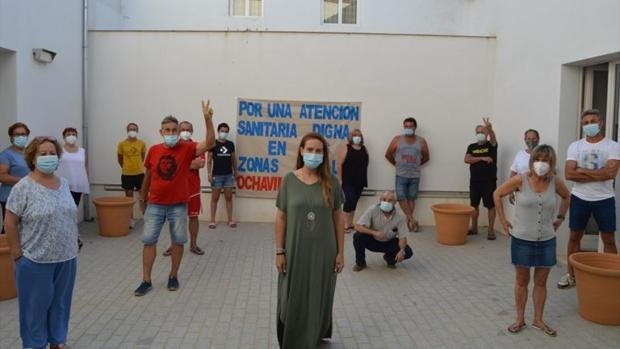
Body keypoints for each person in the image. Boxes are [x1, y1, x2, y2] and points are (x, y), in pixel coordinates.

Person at [134, 100, 215, 297]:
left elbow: (211, 143)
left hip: (178, 205)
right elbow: (148, 175)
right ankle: (146, 280)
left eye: (174, 130)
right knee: (149, 241)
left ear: (178, 132)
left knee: (178, 242)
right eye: (167, 130)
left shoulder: (186, 149)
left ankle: (173, 276)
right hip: (155, 204)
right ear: (161, 132)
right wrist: (143, 197)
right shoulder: (154, 150)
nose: (171, 133)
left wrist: (207, 119)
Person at [4, 136, 78, 349]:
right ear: (33, 159)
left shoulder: (63, 183)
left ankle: (57, 341)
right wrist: (17, 253)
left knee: (60, 304)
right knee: (35, 308)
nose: (48, 157)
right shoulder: (23, 186)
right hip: (35, 259)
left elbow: (67, 214)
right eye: (42, 154)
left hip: (66, 258)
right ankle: (34, 345)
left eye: (52, 153)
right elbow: (9, 221)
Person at [274, 132, 345, 348]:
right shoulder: (289, 180)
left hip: (324, 251)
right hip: (294, 250)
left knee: (319, 294)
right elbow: (281, 217)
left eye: (318, 151)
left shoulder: (331, 182)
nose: (314, 154)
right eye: (310, 150)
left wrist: (341, 252)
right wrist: (280, 251)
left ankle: (315, 335)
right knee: (291, 294)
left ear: (324, 155)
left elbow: (338, 218)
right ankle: (292, 337)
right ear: (302, 151)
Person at [494, 145, 570, 337]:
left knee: (541, 282)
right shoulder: (521, 179)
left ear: (551, 163)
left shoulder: (555, 181)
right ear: (532, 160)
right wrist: (502, 220)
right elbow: (497, 194)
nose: (541, 163)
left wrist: (560, 218)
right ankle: (520, 319)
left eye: (545, 160)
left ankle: (538, 320)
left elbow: (567, 196)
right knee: (521, 281)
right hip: (522, 239)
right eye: (538, 159)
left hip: (547, 240)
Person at [557, 109, 620, 289]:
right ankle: (571, 275)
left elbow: (611, 173)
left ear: (601, 123)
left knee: (608, 239)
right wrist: (599, 174)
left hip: (605, 198)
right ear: (582, 125)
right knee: (575, 237)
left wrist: (582, 171)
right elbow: (569, 173)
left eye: (593, 121)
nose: (589, 125)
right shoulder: (575, 146)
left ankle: (612, 278)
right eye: (586, 122)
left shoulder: (612, 146)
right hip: (580, 197)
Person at [163, 121, 206, 256]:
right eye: (182, 129)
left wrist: (180, 162)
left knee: (193, 217)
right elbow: (170, 164)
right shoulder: (173, 146)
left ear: (192, 131)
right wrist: (188, 162)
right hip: (176, 189)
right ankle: (172, 245)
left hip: (193, 189)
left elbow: (200, 163)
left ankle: (193, 244)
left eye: (188, 129)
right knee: (175, 218)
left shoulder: (197, 146)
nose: (185, 132)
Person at [385, 117, 430, 232]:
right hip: (401, 174)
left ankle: (407, 223)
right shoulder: (397, 139)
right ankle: (412, 220)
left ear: (415, 127)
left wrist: (417, 164)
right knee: (401, 198)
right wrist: (396, 164)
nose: (408, 128)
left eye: (410, 126)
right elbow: (388, 154)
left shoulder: (421, 141)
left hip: (415, 175)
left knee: (411, 199)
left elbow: (426, 157)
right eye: (406, 126)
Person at [352, 191, 413, 271]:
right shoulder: (372, 209)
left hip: (389, 242)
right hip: (373, 241)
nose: (386, 202)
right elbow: (357, 226)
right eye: (384, 199)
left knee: (408, 252)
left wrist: (401, 251)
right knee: (357, 236)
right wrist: (374, 232)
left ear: (395, 203)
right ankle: (360, 263)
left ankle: (389, 259)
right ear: (380, 201)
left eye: (390, 200)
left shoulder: (400, 215)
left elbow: (402, 237)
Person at [464, 117, 498, 240]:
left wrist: (490, 129)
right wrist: (482, 158)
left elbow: (494, 139)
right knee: (474, 205)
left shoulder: (491, 145)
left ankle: (490, 230)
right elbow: (467, 159)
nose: (480, 134)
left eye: (483, 132)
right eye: (478, 132)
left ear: (487, 134)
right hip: (474, 181)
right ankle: (474, 228)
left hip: (489, 181)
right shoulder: (471, 146)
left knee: (490, 206)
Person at [56, 127, 90, 250]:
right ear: (64, 137)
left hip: (78, 184)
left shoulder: (81, 151)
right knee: (63, 210)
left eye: (73, 134)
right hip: (63, 185)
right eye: (68, 134)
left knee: (72, 210)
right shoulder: (60, 150)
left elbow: (84, 166)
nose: (71, 136)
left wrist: (86, 181)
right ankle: (63, 236)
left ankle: (73, 235)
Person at [0, 122, 31, 233]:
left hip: (28, 197)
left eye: (23, 134)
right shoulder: (6, 154)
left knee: (26, 229)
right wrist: (25, 181)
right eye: (17, 134)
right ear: (11, 137)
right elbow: (2, 176)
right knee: (9, 228)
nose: (21, 137)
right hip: (10, 197)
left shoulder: (30, 153)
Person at [337, 129, 369, 233]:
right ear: (351, 137)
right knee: (349, 200)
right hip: (348, 181)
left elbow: (366, 162)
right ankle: (345, 225)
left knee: (354, 202)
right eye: (355, 135)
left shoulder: (364, 149)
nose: (357, 137)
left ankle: (350, 224)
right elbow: (339, 165)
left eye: (359, 135)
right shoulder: (346, 148)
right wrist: (341, 179)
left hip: (360, 180)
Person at [207, 122, 238, 228]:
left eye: (226, 131)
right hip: (217, 175)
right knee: (214, 198)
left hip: (228, 175)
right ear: (218, 131)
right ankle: (212, 221)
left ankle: (230, 220)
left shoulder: (230, 144)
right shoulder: (213, 144)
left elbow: (233, 159)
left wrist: (236, 172)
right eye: (222, 131)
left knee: (229, 197)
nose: (224, 133)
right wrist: (209, 174)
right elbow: (209, 160)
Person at [117, 122, 146, 229]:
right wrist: (126, 167)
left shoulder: (141, 143)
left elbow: (143, 157)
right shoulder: (122, 144)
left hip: (139, 173)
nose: (132, 131)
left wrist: (137, 166)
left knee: (143, 196)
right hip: (127, 174)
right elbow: (120, 159)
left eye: (134, 129)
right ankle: (131, 219)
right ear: (127, 131)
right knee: (129, 198)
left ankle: (146, 217)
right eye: (130, 129)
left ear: (137, 131)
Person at [508, 129, 540, 204]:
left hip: (539, 194)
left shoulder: (544, 154)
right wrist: (510, 191)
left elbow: (552, 173)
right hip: (521, 193)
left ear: (538, 139)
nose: (531, 141)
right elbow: (513, 173)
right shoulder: (520, 154)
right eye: (528, 138)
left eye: (534, 138)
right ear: (525, 140)